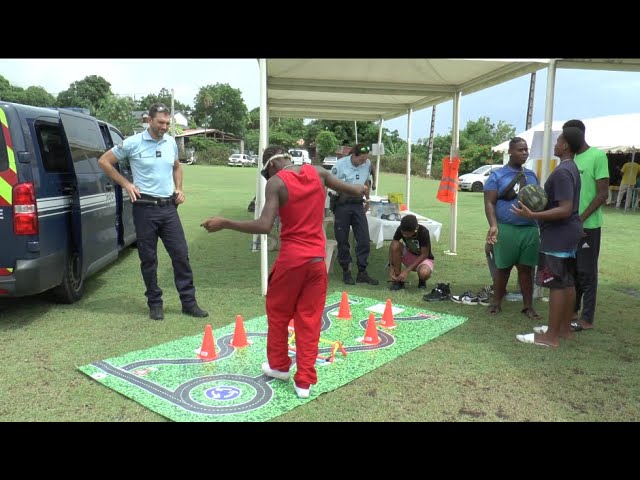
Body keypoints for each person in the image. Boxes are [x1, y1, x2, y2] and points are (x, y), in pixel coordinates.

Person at [200, 146, 368, 399]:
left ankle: (279, 366)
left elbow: (265, 225)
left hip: (291, 261)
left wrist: (225, 223)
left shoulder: (276, 183)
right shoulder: (320, 172)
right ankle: (304, 382)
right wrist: (364, 189)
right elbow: (354, 190)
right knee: (309, 320)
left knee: (278, 314)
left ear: (270, 166)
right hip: (316, 261)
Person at [98, 103, 208, 321]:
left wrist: (179, 188)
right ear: (149, 120)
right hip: (144, 208)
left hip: (169, 209)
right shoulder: (132, 142)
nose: (165, 127)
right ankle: (155, 304)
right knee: (148, 259)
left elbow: (177, 166)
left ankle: (189, 303)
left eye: (168, 123)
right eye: (161, 122)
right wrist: (126, 184)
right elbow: (104, 161)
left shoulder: (170, 142)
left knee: (181, 255)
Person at [513, 127, 583, 347]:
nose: (555, 144)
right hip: (568, 233)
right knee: (568, 282)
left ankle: (550, 336)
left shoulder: (562, 172)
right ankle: (563, 330)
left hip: (558, 235)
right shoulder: (572, 168)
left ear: (565, 146)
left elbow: (565, 208)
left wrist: (532, 214)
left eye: (558, 141)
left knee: (555, 285)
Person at [483, 137, 540, 319]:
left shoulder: (532, 175)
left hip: (529, 229)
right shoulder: (497, 176)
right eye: (520, 150)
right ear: (510, 152)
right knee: (503, 268)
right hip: (506, 228)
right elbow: (489, 203)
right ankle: (497, 302)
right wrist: (493, 225)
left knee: (526, 269)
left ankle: (528, 306)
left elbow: (538, 201)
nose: (524, 153)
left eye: (526, 150)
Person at [562, 119, 609, 331]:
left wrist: (580, 219)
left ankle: (587, 318)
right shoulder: (569, 158)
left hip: (588, 226)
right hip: (568, 226)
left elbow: (602, 194)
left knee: (587, 272)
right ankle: (572, 310)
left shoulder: (597, 156)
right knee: (570, 270)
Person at [330, 143, 378, 285]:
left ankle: (362, 272)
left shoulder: (367, 163)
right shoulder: (340, 165)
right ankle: (347, 271)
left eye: (365, 160)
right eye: (361, 160)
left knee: (364, 239)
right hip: (342, 205)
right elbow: (331, 185)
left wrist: (368, 199)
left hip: (358, 204)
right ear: (354, 155)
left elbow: (367, 181)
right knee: (343, 240)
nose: (363, 162)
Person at [388, 214, 433, 291]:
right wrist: (391, 267)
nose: (404, 235)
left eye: (407, 234)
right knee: (395, 244)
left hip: (423, 258)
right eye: (403, 233)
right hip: (409, 255)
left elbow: (424, 254)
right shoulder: (400, 229)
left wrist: (406, 271)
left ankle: (422, 280)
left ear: (415, 230)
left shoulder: (423, 232)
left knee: (424, 273)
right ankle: (398, 280)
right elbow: (392, 247)